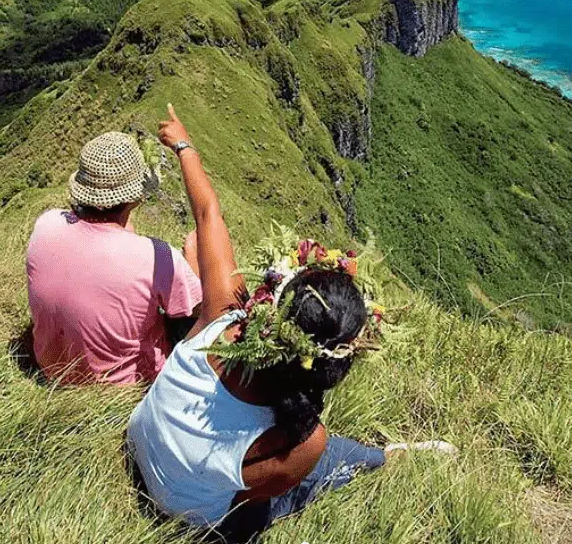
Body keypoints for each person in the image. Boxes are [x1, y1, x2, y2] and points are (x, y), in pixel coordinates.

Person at [127, 105, 392, 541]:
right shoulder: (306, 439)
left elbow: (208, 215)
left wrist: (183, 144)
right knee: (320, 467)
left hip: (140, 445)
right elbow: (253, 495)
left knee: (313, 455)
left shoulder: (221, 318)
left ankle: (377, 458)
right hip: (183, 515)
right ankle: (382, 460)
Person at [26, 131, 203, 386]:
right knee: (195, 316)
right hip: (123, 392)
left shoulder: (46, 224)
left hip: (52, 375)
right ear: (135, 198)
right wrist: (193, 261)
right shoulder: (156, 256)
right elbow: (202, 308)